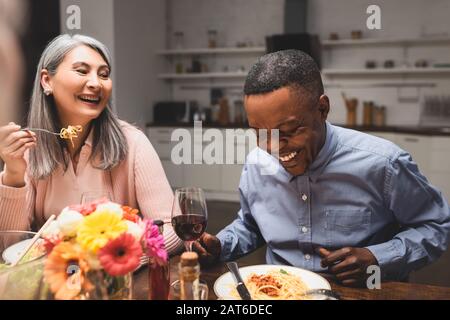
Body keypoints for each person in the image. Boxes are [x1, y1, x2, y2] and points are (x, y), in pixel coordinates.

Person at [194, 49, 450, 286]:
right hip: (280, 290)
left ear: (322, 109)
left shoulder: (383, 164)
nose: (273, 147)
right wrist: (222, 245)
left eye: (288, 131)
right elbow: (251, 226)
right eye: (260, 134)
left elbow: (436, 225)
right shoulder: (256, 163)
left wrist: (378, 258)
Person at [0, 34, 183, 254]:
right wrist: (13, 173)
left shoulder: (133, 143)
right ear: (47, 81)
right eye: (82, 71)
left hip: (116, 283)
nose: (96, 83)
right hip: (51, 281)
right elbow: (11, 244)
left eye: (104, 74)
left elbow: (173, 229)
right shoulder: (30, 149)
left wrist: (113, 263)